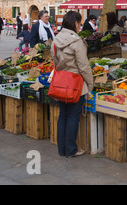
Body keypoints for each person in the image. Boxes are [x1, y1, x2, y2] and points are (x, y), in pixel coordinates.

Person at [51, 10, 93, 158]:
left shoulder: (55, 40)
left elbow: (54, 62)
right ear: (76, 24)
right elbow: (84, 66)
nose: (80, 26)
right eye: (79, 23)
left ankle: (61, 149)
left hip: (60, 83)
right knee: (73, 116)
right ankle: (71, 149)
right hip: (75, 85)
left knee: (63, 115)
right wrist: (90, 84)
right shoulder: (77, 42)